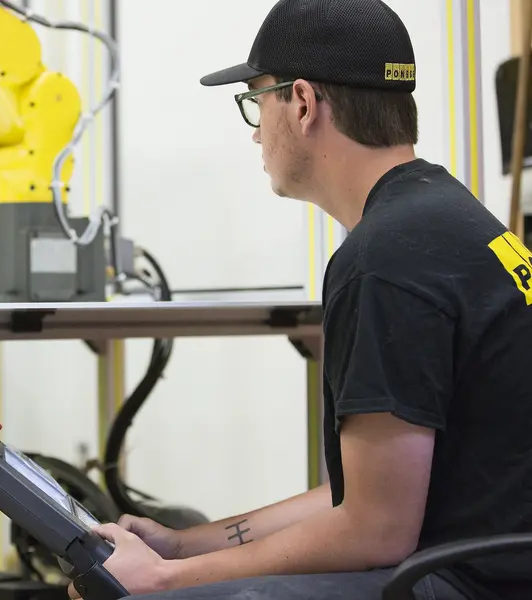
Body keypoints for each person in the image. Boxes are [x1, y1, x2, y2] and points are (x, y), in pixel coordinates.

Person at [68, 0, 532, 599]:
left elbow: (375, 531)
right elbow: (366, 492)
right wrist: (185, 544)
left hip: (468, 582)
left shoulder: (385, 259)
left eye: (256, 102)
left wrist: (164, 578)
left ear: (304, 103)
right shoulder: (449, 218)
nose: (258, 130)